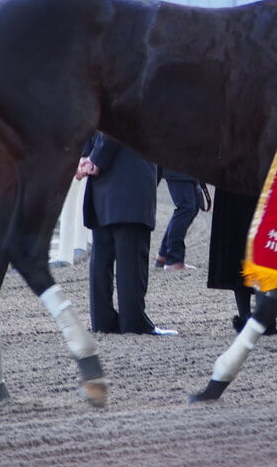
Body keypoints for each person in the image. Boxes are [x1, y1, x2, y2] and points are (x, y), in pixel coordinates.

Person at [77, 133, 176, 336]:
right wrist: (96, 159)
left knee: (102, 257)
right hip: (130, 180)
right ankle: (133, 321)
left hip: (103, 185)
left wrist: (86, 156)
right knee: (131, 259)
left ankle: (103, 321)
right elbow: (115, 125)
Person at [207, 188, 277, 335]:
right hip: (258, 183)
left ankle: (250, 315)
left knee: (238, 244)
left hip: (234, 181)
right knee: (262, 243)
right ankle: (262, 316)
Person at [155, 167, 201, 270]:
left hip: (189, 162)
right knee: (186, 208)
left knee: (193, 207)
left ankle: (164, 254)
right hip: (177, 162)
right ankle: (174, 259)